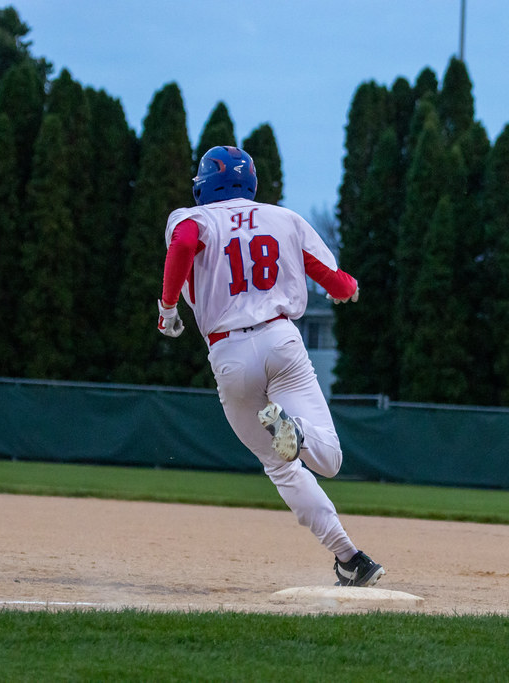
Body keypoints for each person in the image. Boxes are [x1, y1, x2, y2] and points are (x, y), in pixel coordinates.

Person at [155, 145, 385, 588]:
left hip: (229, 354)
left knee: (279, 467)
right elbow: (333, 278)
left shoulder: (193, 218)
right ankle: (299, 441)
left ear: (204, 185)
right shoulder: (284, 218)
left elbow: (184, 244)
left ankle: (349, 558)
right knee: (329, 459)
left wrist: (167, 309)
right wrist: (348, 287)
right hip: (282, 340)